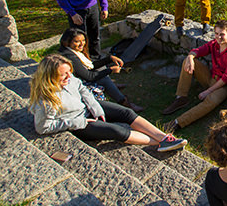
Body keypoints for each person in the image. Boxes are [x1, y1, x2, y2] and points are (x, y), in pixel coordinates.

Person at [29, 54, 187, 152]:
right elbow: (43, 127)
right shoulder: (45, 100)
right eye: (63, 75)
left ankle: (163, 137)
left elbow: (83, 90)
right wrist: (78, 121)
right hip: (79, 122)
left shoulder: (71, 80)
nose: (69, 76)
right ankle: (159, 142)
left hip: (89, 108)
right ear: (50, 78)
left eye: (69, 71)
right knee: (116, 131)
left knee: (127, 113)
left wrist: (96, 108)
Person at [162, 20, 227, 132]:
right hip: (211, 78)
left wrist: (208, 91)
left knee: (210, 101)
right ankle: (181, 98)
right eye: (216, 34)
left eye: (222, 34)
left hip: (225, 86)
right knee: (187, 61)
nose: (218, 37)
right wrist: (190, 57)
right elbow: (198, 51)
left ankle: (177, 123)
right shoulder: (214, 44)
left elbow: (226, 78)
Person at [58, 28, 144, 112]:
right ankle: (124, 102)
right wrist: (110, 70)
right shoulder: (70, 57)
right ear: (67, 42)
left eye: (83, 40)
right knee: (103, 79)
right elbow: (89, 77)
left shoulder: (72, 51)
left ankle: (112, 87)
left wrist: (110, 58)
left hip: (79, 79)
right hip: (74, 86)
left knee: (101, 68)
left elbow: (91, 66)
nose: (82, 44)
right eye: (77, 41)